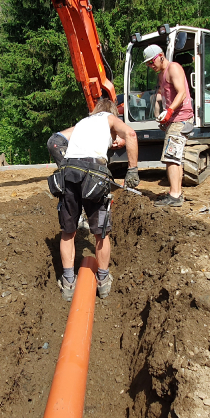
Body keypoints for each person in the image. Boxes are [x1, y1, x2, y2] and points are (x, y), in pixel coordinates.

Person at [53, 97, 139, 300]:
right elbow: (131, 133)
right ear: (111, 112)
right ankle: (103, 280)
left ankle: (68, 282)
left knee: (68, 232)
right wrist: (133, 169)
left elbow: (55, 142)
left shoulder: (83, 122)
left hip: (69, 172)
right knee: (101, 232)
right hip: (94, 174)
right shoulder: (109, 118)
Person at [144, 44, 193, 207]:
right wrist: (160, 114)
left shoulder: (174, 68)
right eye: (148, 64)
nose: (151, 66)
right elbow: (161, 95)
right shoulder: (162, 74)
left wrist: (170, 111)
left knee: (171, 157)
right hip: (174, 119)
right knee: (175, 158)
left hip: (181, 118)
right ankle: (176, 192)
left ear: (161, 56)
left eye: (152, 62)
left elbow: (182, 93)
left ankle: (174, 195)